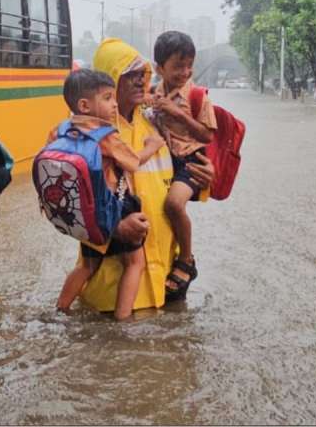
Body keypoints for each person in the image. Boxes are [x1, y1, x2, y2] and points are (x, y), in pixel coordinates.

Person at [78, 38, 214, 312]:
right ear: (110, 80)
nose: (141, 81)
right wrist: (114, 227)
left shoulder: (155, 121)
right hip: (114, 289)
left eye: (143, 74)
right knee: (115, 337)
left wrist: (209, 174)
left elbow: (181, 169)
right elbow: (66, 200)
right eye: (131, 74)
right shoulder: (90, 132)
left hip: (168, 276)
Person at [50, 69, 165, 320]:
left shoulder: (60, 130)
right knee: (134, 263)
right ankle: (122, 319)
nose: (114, 104)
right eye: (107, 98)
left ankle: (60, 309)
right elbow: (133, 162)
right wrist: (152, 146)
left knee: (88, 265)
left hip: (85, 209)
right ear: (84, 105)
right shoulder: (105, 135)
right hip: (115, 205)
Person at [150, 31, 217, 300]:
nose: (185, 72)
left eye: (189, 65)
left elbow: (207, 136)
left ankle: (186, 260)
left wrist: (178, 113)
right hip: (164, 160)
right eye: (178, 66)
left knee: (174, 205)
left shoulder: (198, 95)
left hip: (190, 160)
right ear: (159, 68)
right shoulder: (153, 93)